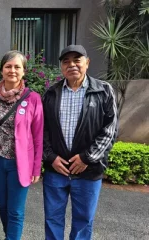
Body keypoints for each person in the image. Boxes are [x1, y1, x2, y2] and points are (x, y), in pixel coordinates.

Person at [42, 45, 118, 240]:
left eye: (77, 60)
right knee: (52, 219)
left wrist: (87, 157)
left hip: (88, 170)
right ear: (61, 67)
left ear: (87, 62)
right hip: (56, 170)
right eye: (66, 61)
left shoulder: (103, 91)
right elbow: (43, 131)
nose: (72, 65)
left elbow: (110, 129)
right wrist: (50, 158)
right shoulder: (50, 94)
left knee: (83, 221)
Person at [0, 50, 44, 240]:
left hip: (20, 163)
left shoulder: (33, 98)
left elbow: (38, 136)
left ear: (24, 71)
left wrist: (36, 167)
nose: (12, 70)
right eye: (8, 66)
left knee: (16, 211)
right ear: (2, 70)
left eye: (17, 66)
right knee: (3, 206)